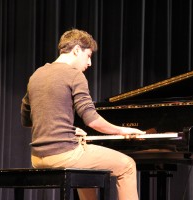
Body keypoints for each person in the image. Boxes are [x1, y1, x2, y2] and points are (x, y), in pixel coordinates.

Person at [21, 28, 145, 200]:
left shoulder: (36, 75)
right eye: (88, 56)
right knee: (128, 165)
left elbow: (27, 119)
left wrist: (68, 129)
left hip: (37, 158)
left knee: (86, 167)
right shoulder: (74, 75)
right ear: (76, 50)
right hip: (64, 154)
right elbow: (92, 120)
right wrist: (123, 130)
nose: (90, 63)